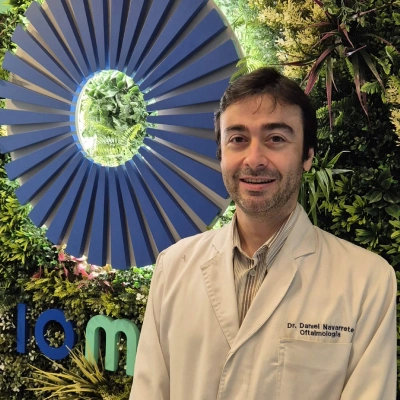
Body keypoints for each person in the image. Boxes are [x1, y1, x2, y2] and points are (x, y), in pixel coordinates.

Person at [130, 68, 396, 400]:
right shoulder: (173, 267)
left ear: (308, 155)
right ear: (221, 154)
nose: (254, 160)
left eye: (276, 139)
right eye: (238, 139)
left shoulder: (367, 281)